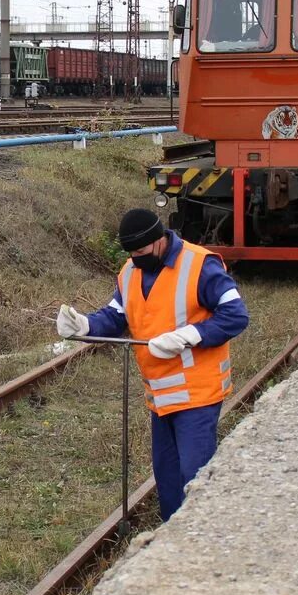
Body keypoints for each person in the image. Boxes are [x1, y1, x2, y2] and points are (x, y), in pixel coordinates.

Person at [56, 209, 249, 521]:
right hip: (160, 397)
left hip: (197, 394)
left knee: (194, 476)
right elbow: (116, 316)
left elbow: (236, 315)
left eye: (141, 251)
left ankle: (203, 535)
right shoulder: (130, 271)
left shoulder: (200, 265)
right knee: (168, 477)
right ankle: (172, 538)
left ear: (160, 240)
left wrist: (191, 335)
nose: (136, 258)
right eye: (131, 253)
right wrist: (85, 326)